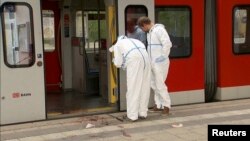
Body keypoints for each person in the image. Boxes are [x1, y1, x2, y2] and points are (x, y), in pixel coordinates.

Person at [109, 35, 151, 121]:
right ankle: (143, 112)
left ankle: (132, 115)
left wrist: (114, 61)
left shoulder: (118, 45)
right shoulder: (135, 40)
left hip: (135, 61)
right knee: (144, 87)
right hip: (146, 60)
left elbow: (118, 63)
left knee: (133, 88)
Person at [137, 16, 172, 115]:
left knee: (160, 84)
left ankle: (166, 105)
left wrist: (163, 56)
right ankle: (158, 104)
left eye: (142, 28)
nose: (142, 30)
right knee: (153, 83)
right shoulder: (150, 33)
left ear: (144, 25)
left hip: (160, 62)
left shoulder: (159, 30)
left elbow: (167, 44)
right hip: (153, 62)